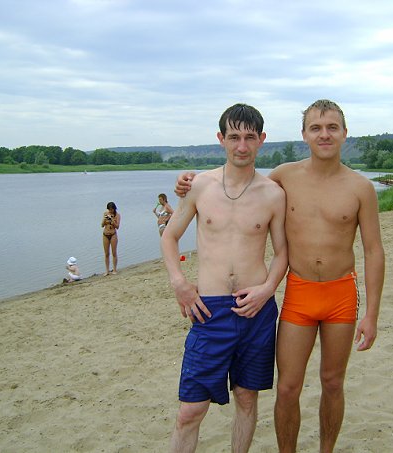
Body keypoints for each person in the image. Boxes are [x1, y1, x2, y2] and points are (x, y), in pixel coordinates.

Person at [175, 99, 386, 453]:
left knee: (333, 382)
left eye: (332, 128)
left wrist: (372, 314)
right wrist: (187, 182)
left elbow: (374, 251)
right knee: (287, 387)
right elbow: (240, 181)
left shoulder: (360, 187)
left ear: (345, 133)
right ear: (304, 134)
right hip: (299, 292)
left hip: (340, 294)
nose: (324, 134)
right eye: (316, 128)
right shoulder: (284, 176)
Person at [161, 103, 288, 453]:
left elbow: (282, 253)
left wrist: (267, 289)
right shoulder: (200, 186)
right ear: (221, 139)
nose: (242, 146)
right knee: (190, 410)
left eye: (250, 137)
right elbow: (170, 237)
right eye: (234, 137)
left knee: (247, 398)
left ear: (262, 139)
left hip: (256, 309)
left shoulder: (273, 194)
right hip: (209, 309)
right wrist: (179, 283)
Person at [101, 201, 121, 276]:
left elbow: (117, 226)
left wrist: (112, 220)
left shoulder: (117, 215)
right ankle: (107, 270)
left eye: (111, 209)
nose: (110, 211)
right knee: (106, 253)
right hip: (105, 234)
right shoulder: (105, 214)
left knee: (114, 253)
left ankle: (114, 269)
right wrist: (105, 219)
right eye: (109, 209)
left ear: (114, 208)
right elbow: (102, 225)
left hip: (113, 234)